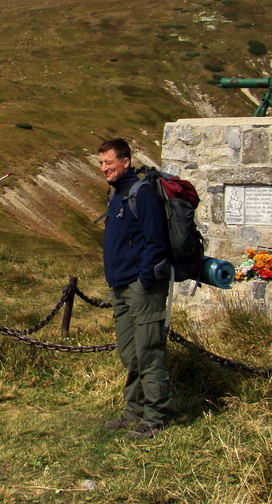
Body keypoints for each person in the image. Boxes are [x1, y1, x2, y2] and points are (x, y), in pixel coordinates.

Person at [97, 138, 174, 439]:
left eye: (109, 163)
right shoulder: (117, 195)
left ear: (125, 162)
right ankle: (133, 411)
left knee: (149, 352)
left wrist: (143, 280)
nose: (104, 169)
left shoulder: (142, 194)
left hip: (142, 288)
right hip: (120, 288)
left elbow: (156, 243)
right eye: (101, 163)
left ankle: (155, 417)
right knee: (130, 353)